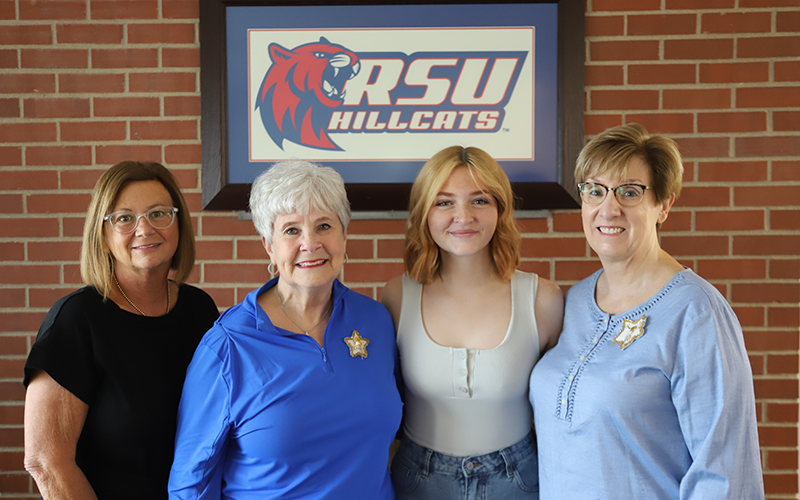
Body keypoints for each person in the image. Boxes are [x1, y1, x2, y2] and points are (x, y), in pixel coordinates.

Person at [529, 124, 765, 499]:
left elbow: (725, 473)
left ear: (664, 205)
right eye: (595, 190)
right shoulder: (572, 302)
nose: (609, 207)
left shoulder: (696, 313)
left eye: (629, 192)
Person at [168, 160, 403, 500]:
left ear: (344, 234)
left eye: (324, 226)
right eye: (292, 230)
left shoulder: (376, 321)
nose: (310, 243)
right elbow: (191, 482)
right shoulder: (228, 346)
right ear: (269, 245)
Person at [22, 161, 219, 499]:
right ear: (103, 234)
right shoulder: (78, 320)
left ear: (179, 224)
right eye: (124, 218)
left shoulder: (200, 309)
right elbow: (46, 461)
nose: (145, 229)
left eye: (159, 214)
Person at [381, 146, 563, 500]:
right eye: (444, 202)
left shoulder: (544, 300)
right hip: (418, 480)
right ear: (424, 213)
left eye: (479, 200)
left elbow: (558, 416)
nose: (463, 216)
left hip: (518, 481)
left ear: (500, 209)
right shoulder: (395, 298)